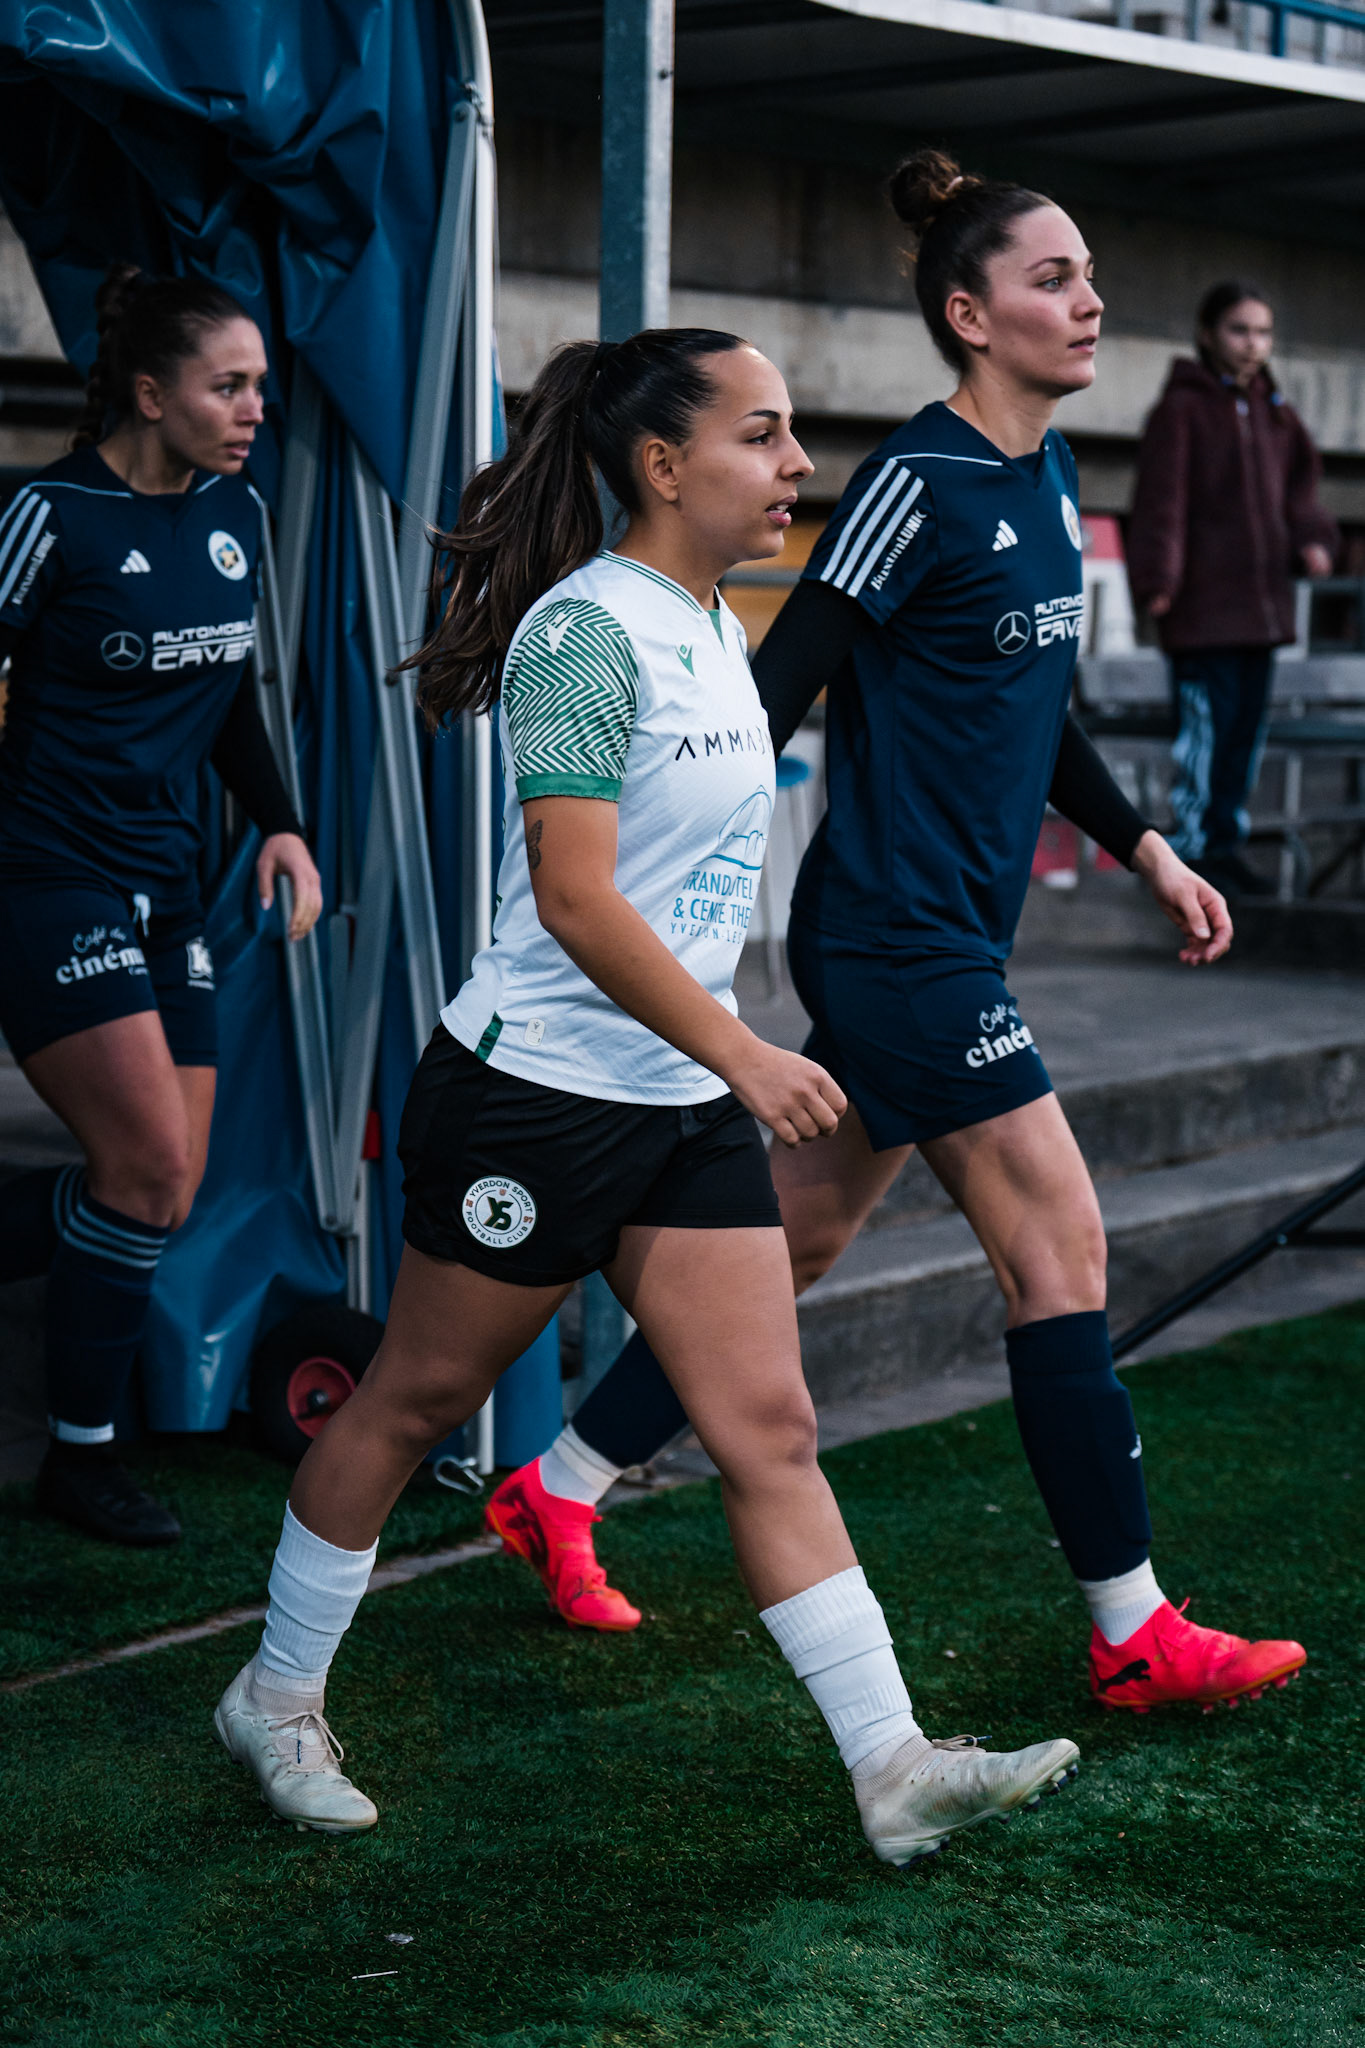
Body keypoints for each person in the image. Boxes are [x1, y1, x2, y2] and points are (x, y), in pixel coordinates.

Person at [213, 328, 1080, 1864]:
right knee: (415, 1400)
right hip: (531, 1100)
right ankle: (274, 1701)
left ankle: (891, 1766)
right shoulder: (578, 633)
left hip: (675, 1106)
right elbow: (574, 895)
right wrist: (746, 1052)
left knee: (771, 1426)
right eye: (764, 434)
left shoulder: (708, 622)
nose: (797, 464)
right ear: (664, 466)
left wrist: (715, 1066)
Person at [485, 156, 1308, 1719]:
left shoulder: (1049, 479)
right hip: (894, 944)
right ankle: (1131, 1629)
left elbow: (1036, 709)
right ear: (967, 313)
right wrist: (662, 906)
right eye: (1052, 278)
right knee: (1056, 1245)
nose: (1087, 302)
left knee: (795, 1239)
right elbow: (772, 687)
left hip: (951, 944)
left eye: (1085, 275)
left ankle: (561, 1482)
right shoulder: (916, 487)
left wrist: (1146, 847)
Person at [0, 263, 322, 1545]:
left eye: (257, 383)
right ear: (150, 391)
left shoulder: (235, 510)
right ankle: (80, 1456)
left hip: (174, 879)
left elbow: (230, 692)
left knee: (162, 1186)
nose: (256, 406)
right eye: (227, 384)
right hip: (50, 873)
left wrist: (284, 820)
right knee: (141, 1167)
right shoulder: (48, 513)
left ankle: (81, 1440)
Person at [1127, 280, 1338, 900]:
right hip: (1202, 616)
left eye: (1264, 332)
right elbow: (1162, 502)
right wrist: (1158, 581)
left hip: (1263, 613)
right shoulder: (1182, 410)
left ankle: (1226, 846)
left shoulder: (1277, 413)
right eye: (1239, 330)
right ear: (1207, 334)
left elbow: (1303, 493)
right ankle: (1189, 854)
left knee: (1243, 741)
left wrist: (1313, 539)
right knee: (1203, 740)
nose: (1253, 345)